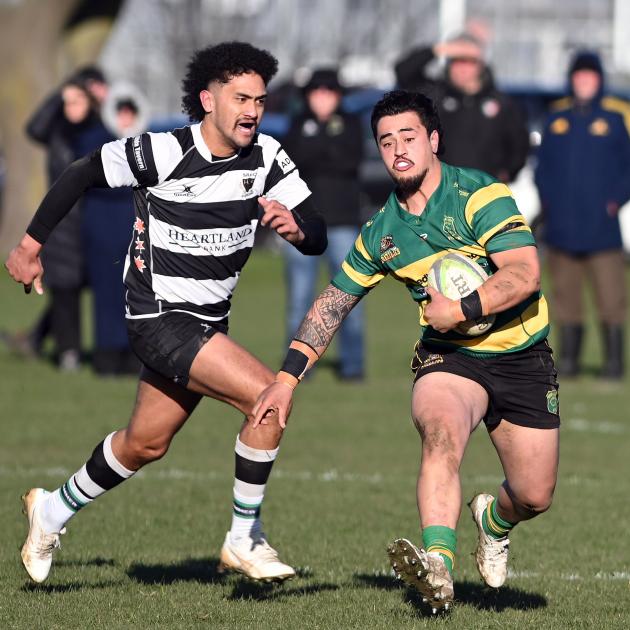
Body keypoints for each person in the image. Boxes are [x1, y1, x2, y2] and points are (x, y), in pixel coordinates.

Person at [6, 42, 326, 584]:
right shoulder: (162, 151)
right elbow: (81, 172)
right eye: (240, 97)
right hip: (158, 317)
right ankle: (244, 537)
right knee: (268, 397)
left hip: (208, 325)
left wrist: (299, 231)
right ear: (208, 100)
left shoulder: (268, 157)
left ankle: (51, 511)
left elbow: (315, 229)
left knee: (144, 443)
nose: (252, 110)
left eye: (260, 100)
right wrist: (30, 245)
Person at [252, 90, 559, 612]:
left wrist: (461, 307)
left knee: (534, 494)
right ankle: (437, 565)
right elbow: (333, 302)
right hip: (449, 358)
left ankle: (492, 521)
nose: (398, 149)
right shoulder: (382, 232)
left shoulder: (479, 196)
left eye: (409, 137)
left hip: (522, 354)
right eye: (387, 141)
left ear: (433, 140)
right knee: (439, 432)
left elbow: (525, 274)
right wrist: (286, 379)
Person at [535, 50, 630, 379]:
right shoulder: (555, 121)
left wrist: (615, 201)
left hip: (602, 230)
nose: (583, 82)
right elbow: (542, 169)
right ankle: (571, 361)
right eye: (578, 77)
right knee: (566, 299)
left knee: (611, 300)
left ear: (599, 81)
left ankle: (614, 363)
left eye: (589, 77)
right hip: (562, 228)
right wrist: (548, 202)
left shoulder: (614, 121)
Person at [282, 68, 365, 380]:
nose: (322, 99)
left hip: (343, 222)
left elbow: (349, 160)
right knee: (299, 300)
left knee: (346, 298)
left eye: (328, 93)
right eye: (316, 93)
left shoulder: (352, 123)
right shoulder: (297, 124)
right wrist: (325, 145)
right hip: (303, 224)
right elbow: (293, 162)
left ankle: (353, 366)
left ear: (338, 95)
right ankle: (298, 367)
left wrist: (319, 147)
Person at [395, 32, 529, 183]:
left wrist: (507, 173)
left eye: (469, 61)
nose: (462, 68)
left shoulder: (500, 103)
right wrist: (439, 49)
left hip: (485, 193)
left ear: (480, 64)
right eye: (457, 61)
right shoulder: (435, 96)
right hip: (441, 191)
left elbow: (519, 144)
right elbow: (404, 72)